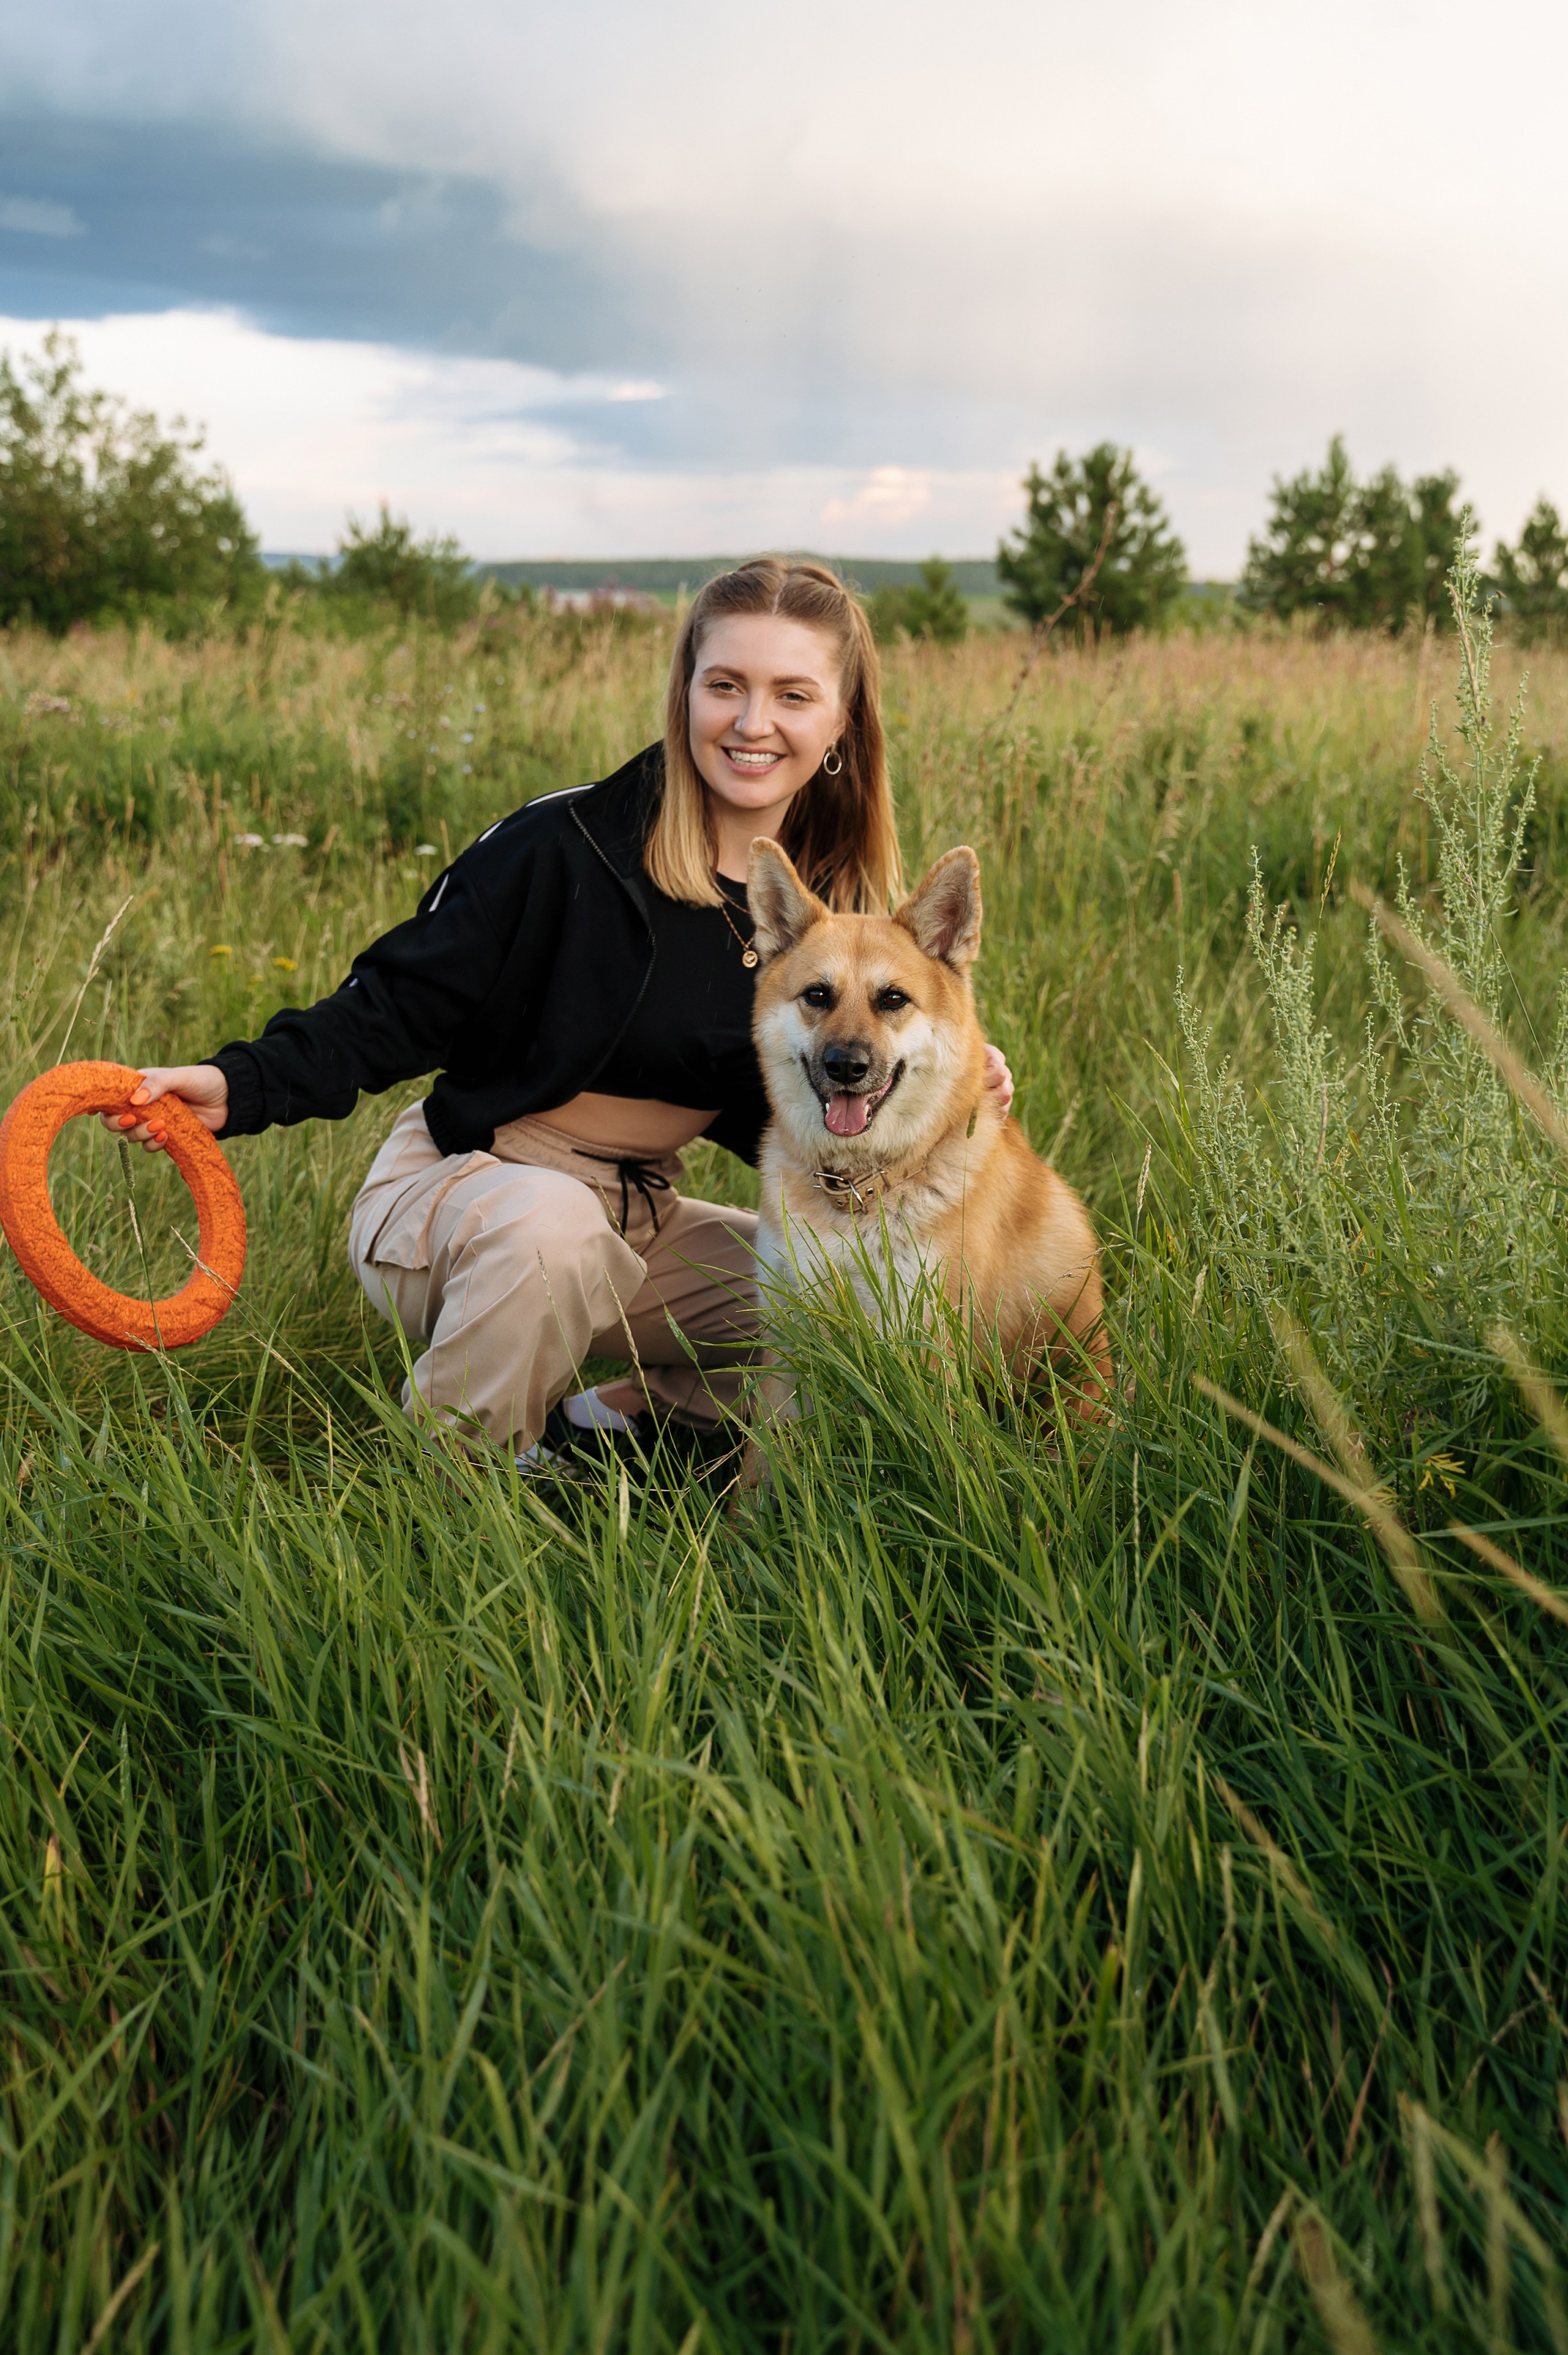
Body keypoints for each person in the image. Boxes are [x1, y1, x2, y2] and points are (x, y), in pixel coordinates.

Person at [110, 557, 1013, 1465]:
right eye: (725, 685)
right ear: (684, 693)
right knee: (554, 1226)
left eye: (793, 695)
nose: (752, 723)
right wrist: (240, 1082)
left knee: (830, 1296)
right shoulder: (568, 843)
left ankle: (607, 1428)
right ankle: (447, 1479)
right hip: (471, 1197)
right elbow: (392, 1006)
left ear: (841, 721)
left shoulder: (826, 916)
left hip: (638, 1215)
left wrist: (943, 1107)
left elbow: (794, 1110)